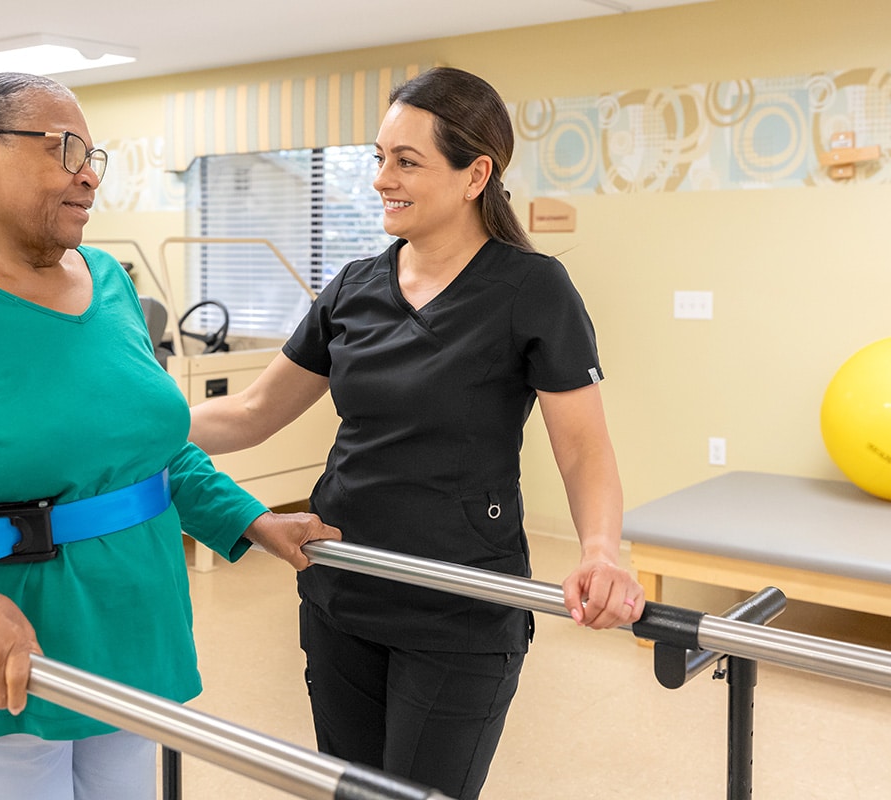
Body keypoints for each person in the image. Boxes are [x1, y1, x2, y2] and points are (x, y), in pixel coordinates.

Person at [0, 72, 340, 800]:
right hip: (0, 661)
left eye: (95, 157)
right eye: (66, 149)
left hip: (130, 641)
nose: (89, 174)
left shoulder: (109, 282)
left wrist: (250, 518)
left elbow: (151, 450)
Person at [189, 66, 645, 800]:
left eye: (406, 162)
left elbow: (583, 448)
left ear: (476, 176)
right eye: (379, 158)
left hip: (458, 607)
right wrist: (130, 423)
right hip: (342, 592)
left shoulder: (532, 288)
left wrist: (600, 551)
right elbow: (250, 413)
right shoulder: (352, 287)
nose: (381, 180)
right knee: (354, 793)